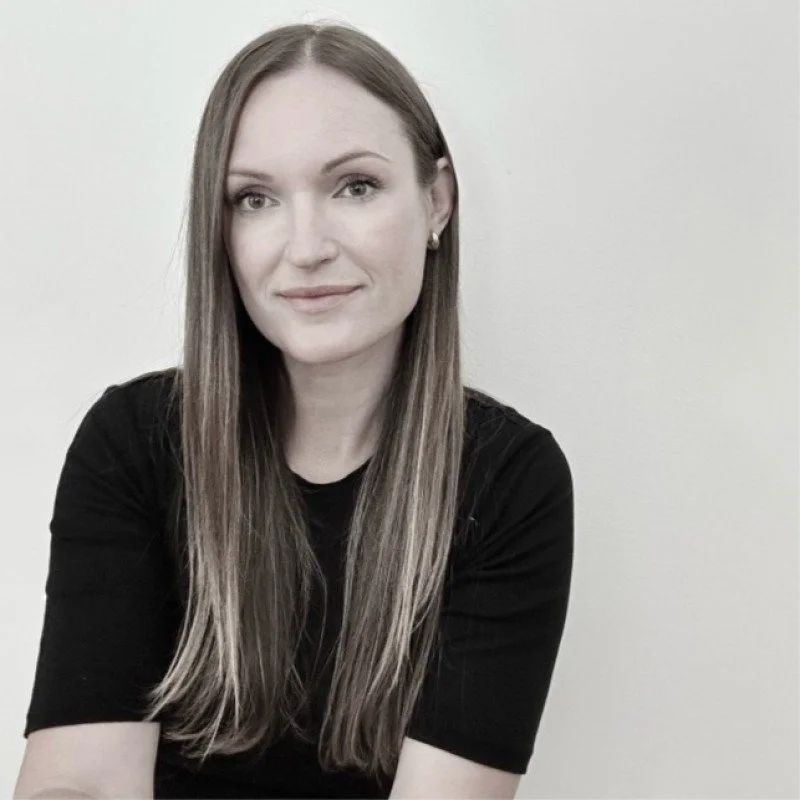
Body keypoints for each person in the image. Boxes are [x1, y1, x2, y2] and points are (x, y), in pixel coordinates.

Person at [15, 20, 574, 800]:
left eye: (355, 186)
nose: (305, 246)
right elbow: (79, 785)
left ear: (437, 200)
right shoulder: (133, 445)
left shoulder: (507, 481)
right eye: (255, 199)